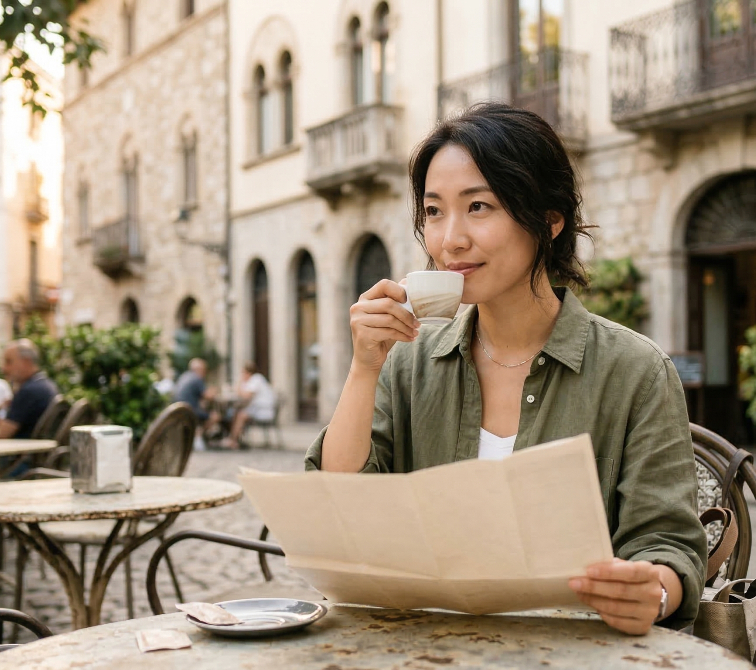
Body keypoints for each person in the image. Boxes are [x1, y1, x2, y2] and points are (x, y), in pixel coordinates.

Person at [307, 103, 706, 635]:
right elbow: (344, 500)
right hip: (429, 645)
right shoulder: (408, 360)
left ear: (548, 220)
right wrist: (363, 368)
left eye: (479, 207)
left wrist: (652, 592)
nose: (450, 239)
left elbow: (668, 545)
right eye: (433, 211)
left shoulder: (634, 370)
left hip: (570, 648)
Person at [0, 340, 59, 439]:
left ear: (26, 362)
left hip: (22, 452)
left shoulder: (28, 391)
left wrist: (4, 409)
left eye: (8, 362)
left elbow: (2, 434)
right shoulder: (46, 385)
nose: (4, 368)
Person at [222, 362, 276, 449]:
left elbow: (246, 395)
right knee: (235, 413)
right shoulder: (251, 381)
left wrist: (239, 383)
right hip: (256, 409)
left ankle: (233, 440)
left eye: (243, 373)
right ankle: (234, 439)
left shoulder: (256, 379)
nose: (242, 375)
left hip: (263, 410)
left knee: (241, 415)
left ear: (248, 372)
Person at [174, 358, 218, 435]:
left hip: (178, 409)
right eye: (204, 369)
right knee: (216, 416)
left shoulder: (184, 376)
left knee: (203, 408)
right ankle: (198, 434)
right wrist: (215, 390)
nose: (205, 372)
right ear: (199, 369)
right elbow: (208, 396)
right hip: (189, 410)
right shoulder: (197, 378)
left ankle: (196, 435)